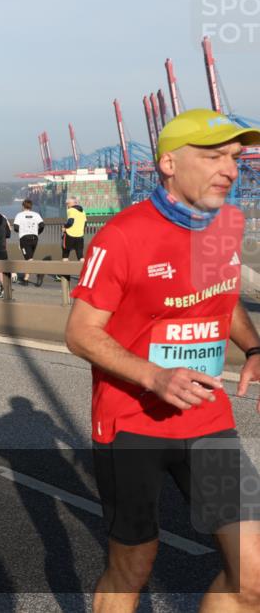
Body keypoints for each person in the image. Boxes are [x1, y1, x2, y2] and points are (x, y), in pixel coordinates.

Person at [64, 109, 260, 612]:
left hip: (207, 416)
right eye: (213, 156)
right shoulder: (123, 236)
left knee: (254, 576)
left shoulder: (225, 225)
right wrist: (155, 375)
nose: (231, 169)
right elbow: (81, 333)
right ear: (169, 163)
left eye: (235, 158)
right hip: (132, 422)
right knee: (133, 567)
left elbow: (221, 293)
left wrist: (253, 346)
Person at [13, 199, 45, 286]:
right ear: (31, 206)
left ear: (23, 206)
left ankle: (39, 273)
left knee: (29, 259)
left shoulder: (19, 215)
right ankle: (26, 279)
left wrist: (23, 230)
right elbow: (42, 225)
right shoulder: (36, 214)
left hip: (24, 238)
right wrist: (37, 232)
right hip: (35, 238)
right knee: (29, 258)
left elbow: (15, 228)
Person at [62, 196, 86, 261]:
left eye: (68, 203)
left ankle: (64, 267)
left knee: (65, 250)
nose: (67, 205)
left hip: (70, 234)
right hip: (80, 235)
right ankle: (82, 268)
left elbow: (70, 222)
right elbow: (85, 223)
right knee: (80, 254)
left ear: (73, 203)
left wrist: (64, 226)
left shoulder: (70, 210)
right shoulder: (83, 211)